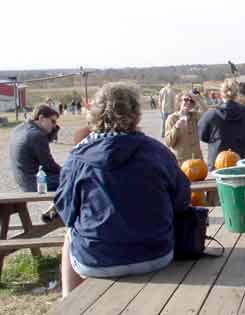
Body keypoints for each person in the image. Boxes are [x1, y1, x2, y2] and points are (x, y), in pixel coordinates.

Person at [54, 83, 190, 298]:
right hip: (155, 253)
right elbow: (182, 200)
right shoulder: (157, 152)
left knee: (69, 236)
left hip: (95, 259)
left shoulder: (78, 157)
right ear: (135, 113)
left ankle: (68, 300)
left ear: (95, 114)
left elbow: (67, 212)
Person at [198, 79, 245, 171]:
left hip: (219, 165)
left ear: (221, 94)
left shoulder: (211, 114)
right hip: (243, 164)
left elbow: (203, 135)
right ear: (237, 95)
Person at [9, 105, 61, 192]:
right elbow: (49, 165)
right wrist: (68, 171)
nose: (54, 125)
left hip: (22, 180)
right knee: (77, 180)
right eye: (53, 121)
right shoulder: (37, 135)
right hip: (35, 182)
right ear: (41, 118)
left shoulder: (18, 129)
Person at [164, 92, 206, 166]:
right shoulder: (172, 118)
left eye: (191, 101)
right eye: (186, 100)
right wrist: (176, 127)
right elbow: (168, 142)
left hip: (197, 160)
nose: (188, 102)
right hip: (181, 162)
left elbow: (207, 114)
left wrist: (198, 100)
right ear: (180, 101)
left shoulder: (195, 116)